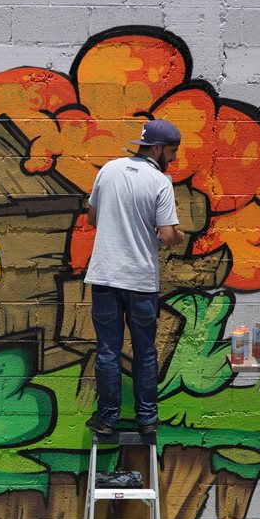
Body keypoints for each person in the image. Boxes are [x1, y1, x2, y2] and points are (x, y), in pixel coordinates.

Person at [84, 118, 186, 438]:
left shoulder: (109, 170)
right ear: (156, 148)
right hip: (140, 280)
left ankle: (107, 418)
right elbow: (168, 236)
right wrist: (179, 235)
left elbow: (91, 217)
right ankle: (146, 418)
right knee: (144, 352)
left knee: (108, 351)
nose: (173, 158)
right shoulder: (159, 182)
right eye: (171, 151)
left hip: (105, 276)